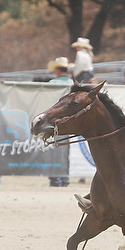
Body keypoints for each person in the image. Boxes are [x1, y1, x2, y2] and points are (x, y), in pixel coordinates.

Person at [46, 56, 73, 187]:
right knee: (66, 149)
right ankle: (65, 176)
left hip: (53, 121)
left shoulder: (52, 83)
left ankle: (55, 177)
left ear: (57, 69)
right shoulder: (72, 84)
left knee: (53, 149)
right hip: (69, 120)